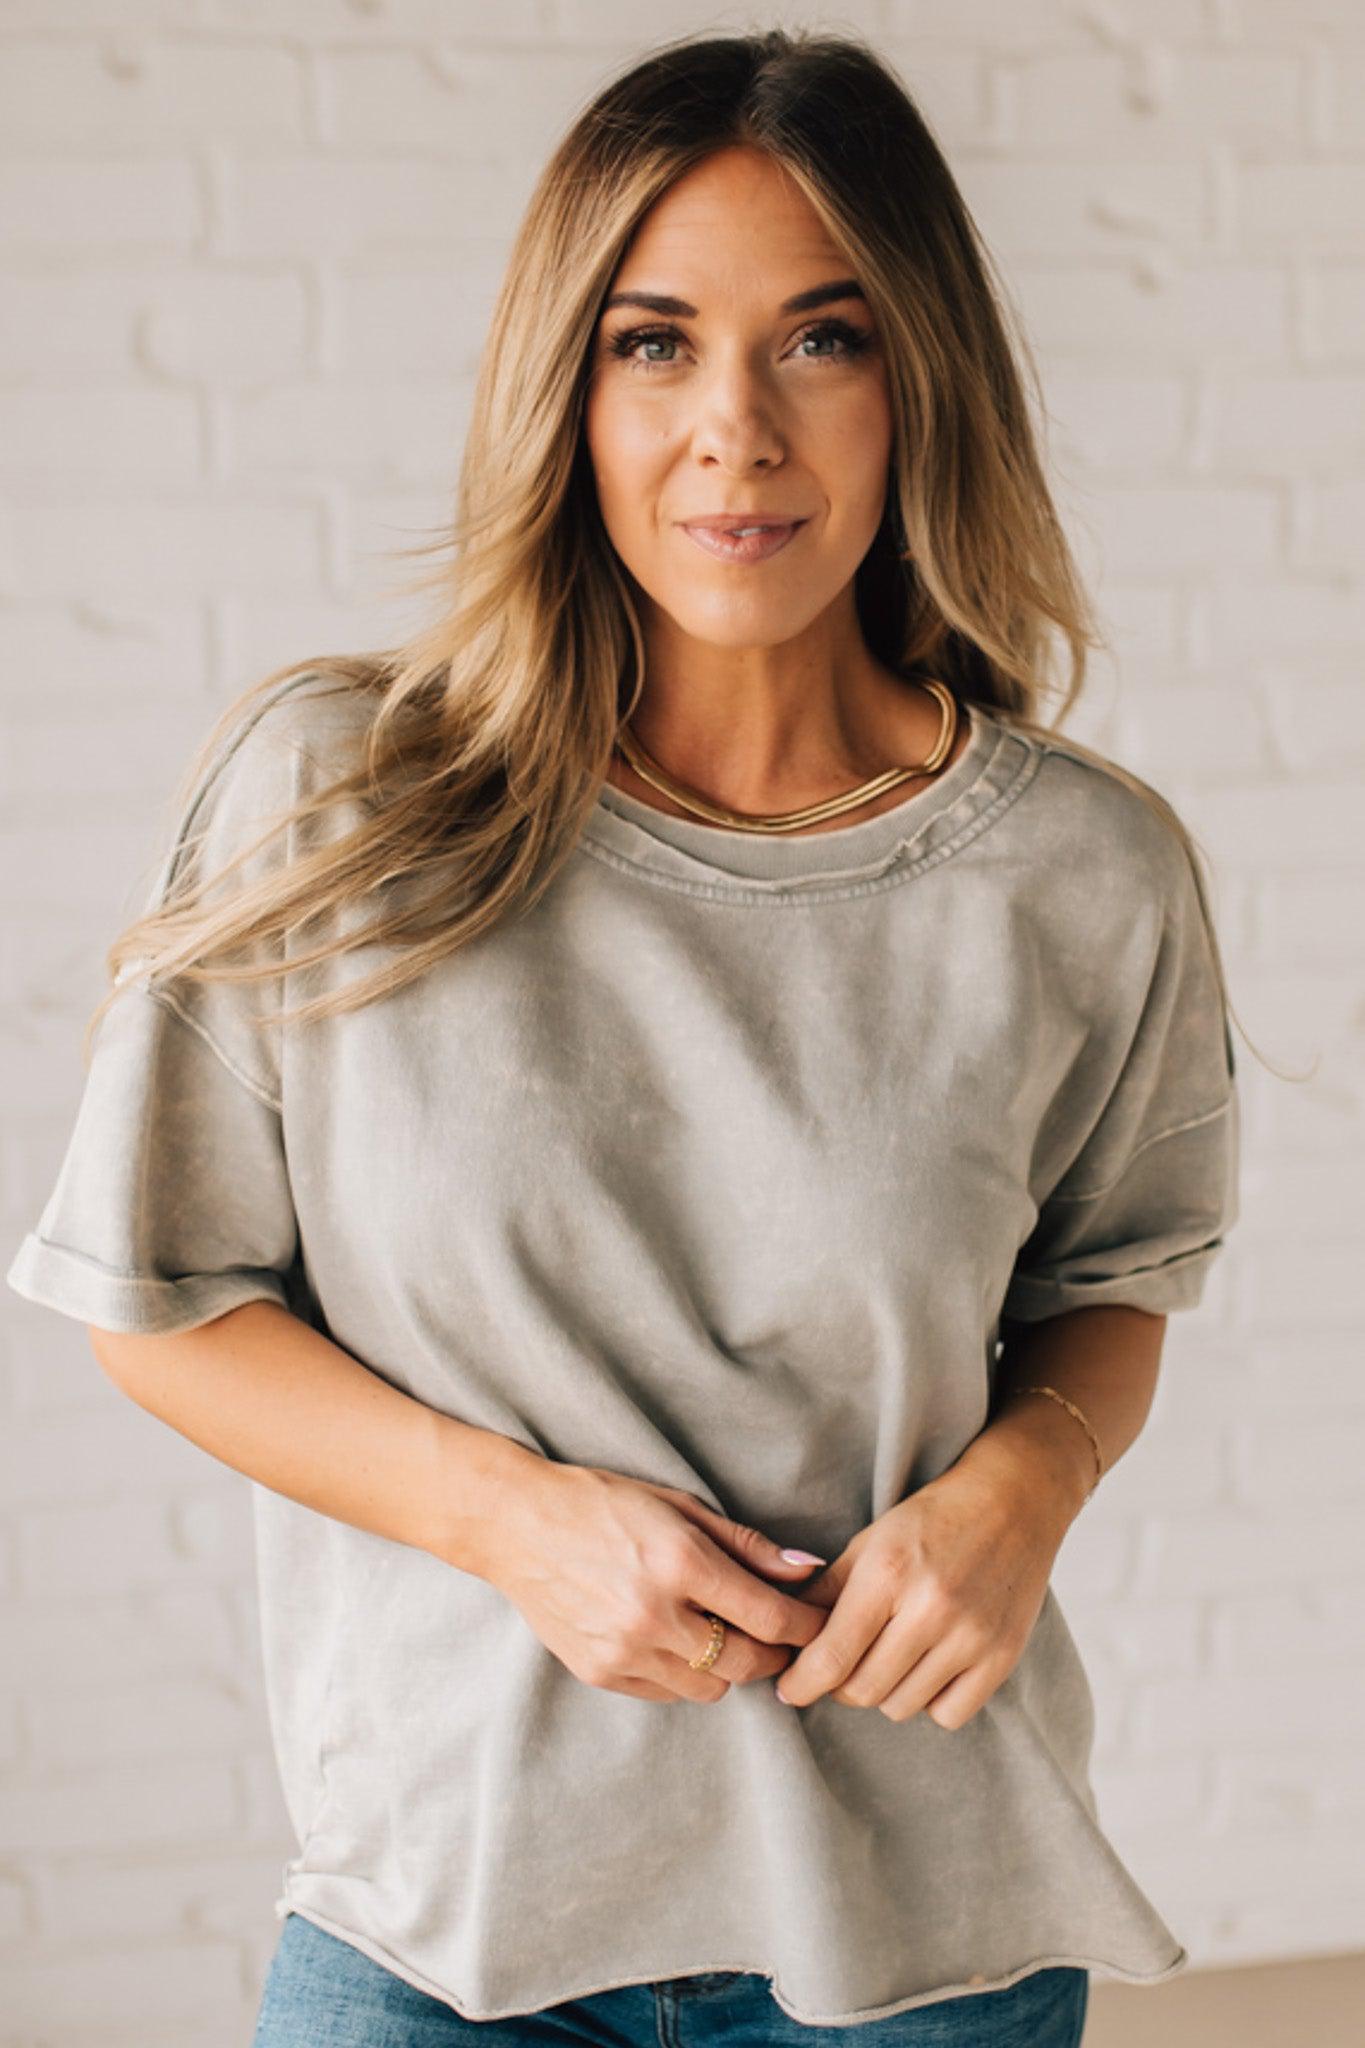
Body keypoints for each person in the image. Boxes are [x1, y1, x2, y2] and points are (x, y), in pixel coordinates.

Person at [6, 27, 1242, 2048]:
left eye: (819, 340)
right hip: (446, 1926)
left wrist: (1026, 1484)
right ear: (560, 387)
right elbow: (158, 1303)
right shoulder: (340, 801)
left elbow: (1110, 1281)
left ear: (921, 378)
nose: (732, 432)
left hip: (919, 1944)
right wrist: (511, 1521)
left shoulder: (1078, 873)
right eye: (652, 343)